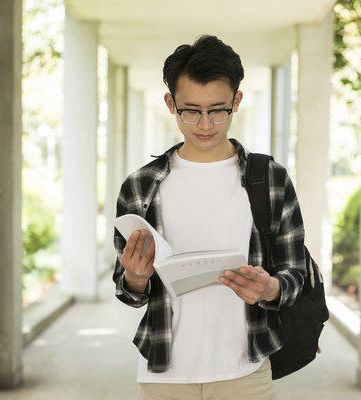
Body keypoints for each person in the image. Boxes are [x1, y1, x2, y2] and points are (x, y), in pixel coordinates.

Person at [112, 35, 306, 400]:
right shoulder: (141, 185)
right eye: (191, 110)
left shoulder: (269, 179)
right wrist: (136, 278)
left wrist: (271, 288)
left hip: (245, 371)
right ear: (171, 103)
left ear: (237, 101)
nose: (204, 124)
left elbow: (295, 273)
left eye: (218, 110)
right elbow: (128, 291)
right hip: (164, 374)